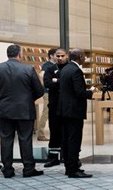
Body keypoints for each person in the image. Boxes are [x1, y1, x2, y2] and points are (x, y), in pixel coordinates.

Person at [0, 44, 45, 178]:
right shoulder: (28, 69)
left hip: (4, 111)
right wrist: (28, 99)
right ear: (20, 55)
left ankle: (7, 170)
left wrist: (0, 102)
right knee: (25, 140)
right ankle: (28, 168)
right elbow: (39, 91)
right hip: (25, 111)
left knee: (6, 140)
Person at [58, 48, 94, 179]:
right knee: (74, 140)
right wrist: (91, 93)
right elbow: (79, 92)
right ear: (79, 57)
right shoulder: (76, 71)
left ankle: (69, 167)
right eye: (84, 56)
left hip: (64, 110)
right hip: (74, 111)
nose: (85, 58)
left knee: (67, 140)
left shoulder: (65, 69)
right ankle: (73, 169)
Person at [43, 48, 68, 168]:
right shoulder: (49, 69)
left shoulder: (70, 68)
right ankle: (53, 158)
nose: (60, 58)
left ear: (66, 56)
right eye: (57, 56)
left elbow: (72, 84)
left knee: (67, 132)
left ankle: (68, 157)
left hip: (68, 106)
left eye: (62, 56)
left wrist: (57, 80)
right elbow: (47, 83)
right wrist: (61, 82)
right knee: (54, 131)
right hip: (54, 105)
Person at [36, 48, 56, 141]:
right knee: (46, 112)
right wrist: (45, 86)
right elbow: (41, 75)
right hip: (48, 92)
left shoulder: (56, 65)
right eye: (57, 55)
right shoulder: (47, 65)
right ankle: (40, 134)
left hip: (54, 91)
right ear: (51, 56)